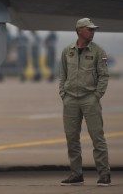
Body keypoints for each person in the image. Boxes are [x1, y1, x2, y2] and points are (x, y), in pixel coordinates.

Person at [58, 18, 110, 187]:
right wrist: (63, 94)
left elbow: (104, 75)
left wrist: (97, 95)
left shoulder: (98, 52)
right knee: (71, 138)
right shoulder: (68, 51)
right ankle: (76, 174)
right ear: (80, 31)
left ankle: (104, 175)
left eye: (93, 30)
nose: (93, 32)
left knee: (97, 137)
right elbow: (63, 75)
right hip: (70, 99)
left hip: (90, 98)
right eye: (89, 29)